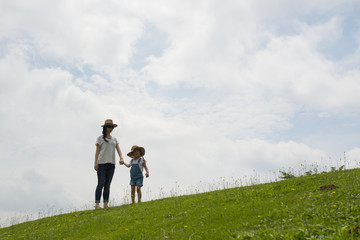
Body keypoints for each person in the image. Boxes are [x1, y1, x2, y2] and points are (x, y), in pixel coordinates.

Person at [94, 119, 124, 209]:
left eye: (111, 127)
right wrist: (95, 162)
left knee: (107, 184)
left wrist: (121, 157)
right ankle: (97, 204)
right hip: (102, 163)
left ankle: (106, 204)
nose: (110, 128)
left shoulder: (114, 139)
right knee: (100, 183)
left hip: (111, 164)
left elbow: (118, 149)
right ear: (105, 127)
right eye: (109, 127)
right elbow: (97, 151)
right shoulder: (100, 138)